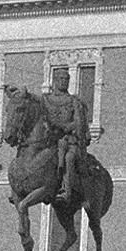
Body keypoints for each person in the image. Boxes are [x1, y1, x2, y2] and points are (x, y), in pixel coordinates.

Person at [42, 64, 91, 207]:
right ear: (55, 81)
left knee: (69, 158)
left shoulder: (74, 101)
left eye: (66, 79)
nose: (64, 82)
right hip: (51, 139)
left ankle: (66, 190)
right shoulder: (46, 100)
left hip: (69, 140)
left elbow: (79, 122)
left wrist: (67, 127)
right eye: (61, 79)